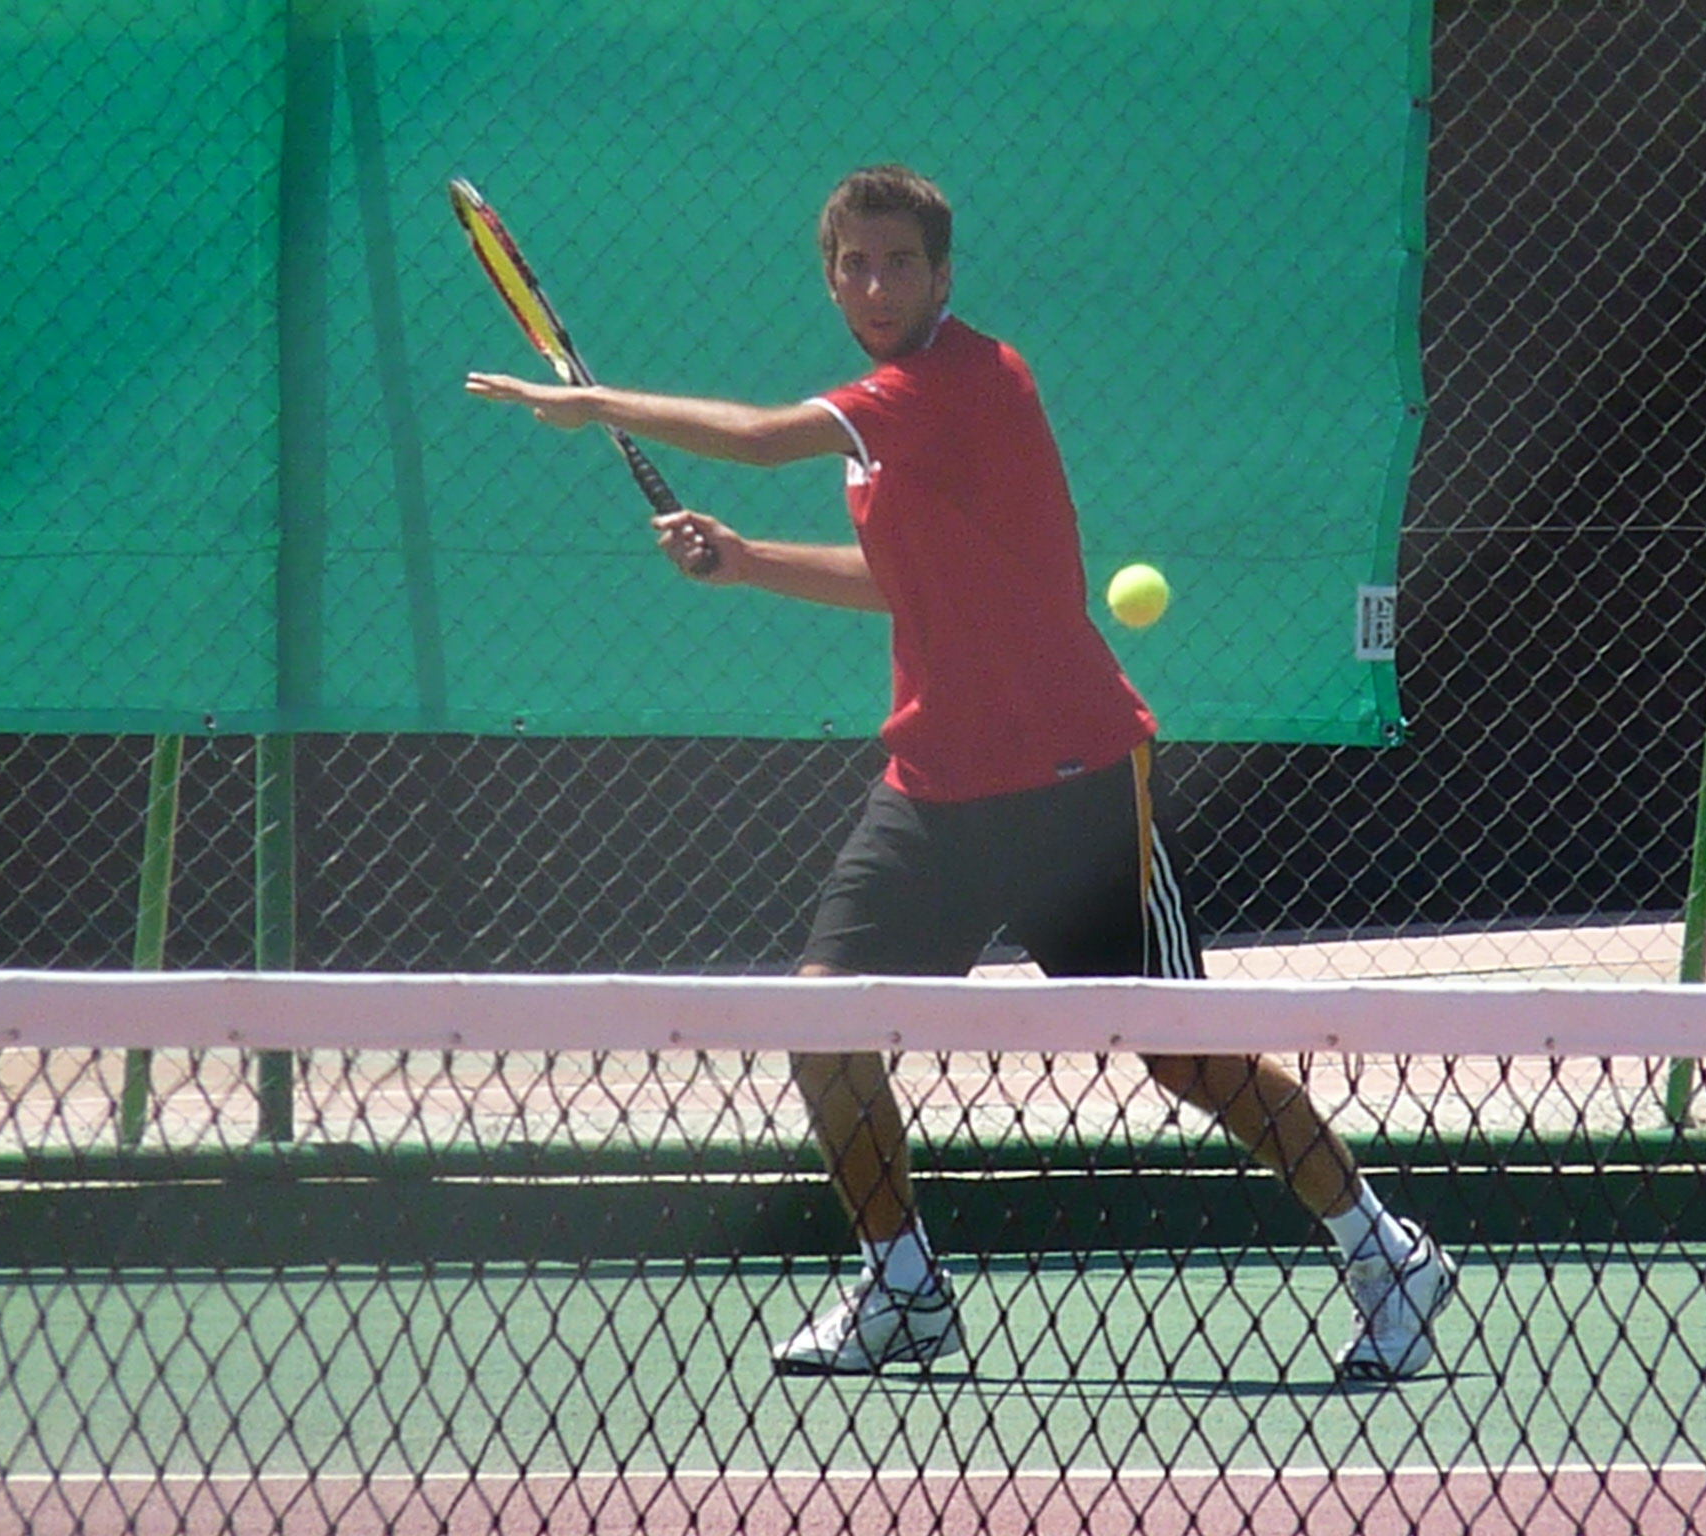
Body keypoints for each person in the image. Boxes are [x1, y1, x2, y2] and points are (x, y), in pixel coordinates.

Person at [466, 164, 1455, 1381]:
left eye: (899, 263)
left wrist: (594, 404)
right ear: (830, 279)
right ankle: (902, 1290)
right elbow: (901, 582)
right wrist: (744, 559)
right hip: (930, 786)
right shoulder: (881, 434)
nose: (876, 285)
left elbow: (763, 438)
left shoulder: (965, 382)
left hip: (1068, 788)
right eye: (854, 265)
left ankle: (1386, 1253)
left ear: (941, 277)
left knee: (1182, 1052)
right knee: (823, 1024)